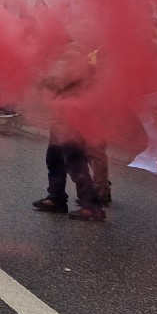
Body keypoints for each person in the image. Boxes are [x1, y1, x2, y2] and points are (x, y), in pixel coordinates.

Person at [32, 43, 105, 221]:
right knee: (55, 159)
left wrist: (41, 77)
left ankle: (91, 206)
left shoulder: (72, 56)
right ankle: (56, 198)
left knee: (75, 163)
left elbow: (57, 81)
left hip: (71, 122)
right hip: (64, 120)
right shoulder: (81, 59)